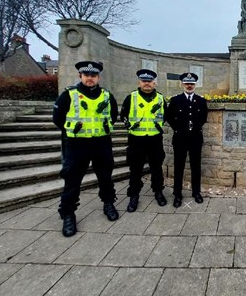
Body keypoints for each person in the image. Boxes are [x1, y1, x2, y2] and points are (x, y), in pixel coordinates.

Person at [53, 60, 119, 237]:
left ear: (98, 77)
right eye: (87, 75)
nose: (90, 78)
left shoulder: (106, 95)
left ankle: (108, 203)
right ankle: (68, 214)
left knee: (105, 177)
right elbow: (57, 118)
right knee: (72, 181)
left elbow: (113, 116)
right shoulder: (69, 95)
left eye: (94, 75)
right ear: (80, 76)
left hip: (101, 143)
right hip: (77, 145)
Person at [120, 69, 167, 212]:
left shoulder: (160, 98)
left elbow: (165, 116)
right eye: (144, 81)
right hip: (136, 140)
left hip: (154, 139)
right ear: (139, 82)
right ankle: (134, 195)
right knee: (135, 169)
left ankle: (158, 191)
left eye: (150, 81)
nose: (147, 84)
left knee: (156, 168)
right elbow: (124, 116)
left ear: (155, 83)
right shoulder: (131, 98)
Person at [167, 72, 208, 208]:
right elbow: (170, 117)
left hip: (195, 138)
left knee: (196, 167)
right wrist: (178, 129)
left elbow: (203, 118)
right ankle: (177, 194)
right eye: (187, 83)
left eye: (191, 83)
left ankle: (196, 192)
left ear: (195, 85)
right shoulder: (175, 100)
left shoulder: (201, 101)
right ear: (182, 84)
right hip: (180, 139)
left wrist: (194, 129)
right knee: (179, 167)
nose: (189, 86)